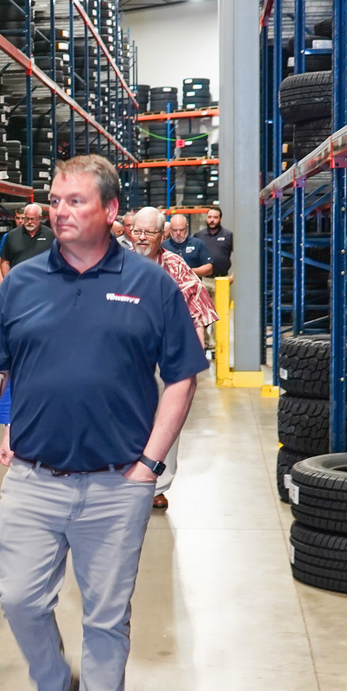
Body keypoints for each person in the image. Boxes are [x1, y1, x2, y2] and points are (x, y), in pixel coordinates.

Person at [0, 154, 204, 691]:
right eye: (56, 200)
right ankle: (51, 683)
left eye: (74, 201)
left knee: (106, 616)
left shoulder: (150, 285)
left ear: (111, 210)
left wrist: (149, 464)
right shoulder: (21, 283)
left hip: (115, 485)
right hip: (34, 478)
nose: (60, 212)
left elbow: (181, 376)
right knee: (17, 597)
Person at [125, 208, 218, 510]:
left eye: (148, 233)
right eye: (136, 231)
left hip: (163, 354)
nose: (141, 238)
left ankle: (156, 485)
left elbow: (198, 314)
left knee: (167, 416)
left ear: (162, 236)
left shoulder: (176, 267)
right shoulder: (116, 264)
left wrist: (190, 362)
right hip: (122, 353)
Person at [0, 202, 52, 283]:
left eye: (32, 219)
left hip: (43, 283)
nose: (29, 222)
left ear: (40, 218)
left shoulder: (51, 235)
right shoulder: (11, 236)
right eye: (27, 218)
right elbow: (4, 261)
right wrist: (8, 281)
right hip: (18, 283)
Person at [196, 207, 233, 277]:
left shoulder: (228, 235)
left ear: (220, 219)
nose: (212, 220)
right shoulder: (198, 236)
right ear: (206, 218)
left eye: (215, 217)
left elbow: (240, 257)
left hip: (223, 279)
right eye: (209, 217)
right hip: (204, 280)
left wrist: (233, 276)